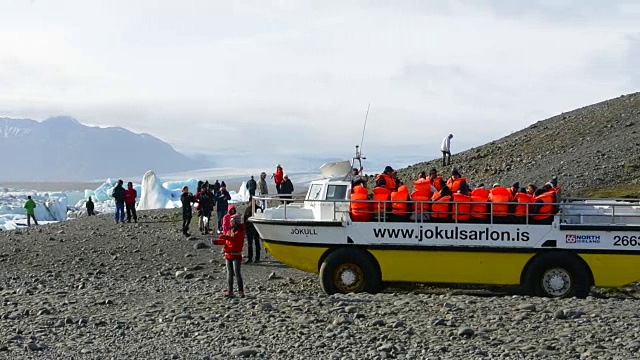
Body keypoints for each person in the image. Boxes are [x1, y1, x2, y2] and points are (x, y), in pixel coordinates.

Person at [211, 217, 245, 298]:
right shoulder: (229, 230)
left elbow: (236, 240)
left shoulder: (239, 231)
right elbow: (226, 241)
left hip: (236, 254)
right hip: (228, 254)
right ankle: (230, 290)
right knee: (229, 273)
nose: (231, 222)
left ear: (236, 222)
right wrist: (216, 242)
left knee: (237, 273)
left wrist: (226, 237)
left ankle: (241, 291)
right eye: (231, 221)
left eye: (233, 221)